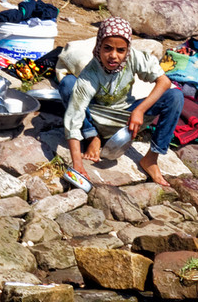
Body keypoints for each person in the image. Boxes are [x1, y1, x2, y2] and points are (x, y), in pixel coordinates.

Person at [62, 17, 183, 186]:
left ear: (127, 50)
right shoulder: (90, 75)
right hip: (96, 117)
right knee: (67, 84)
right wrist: (77, 164)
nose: (113, 56)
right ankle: (92, 138)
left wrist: (139, 110)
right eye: (107, 49)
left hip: (127, 116)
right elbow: (74, 118)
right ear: (98, 47)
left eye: (120, 50)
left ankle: (151, 159)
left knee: (175, 97)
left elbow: (164, 81)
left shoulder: (135, 58)